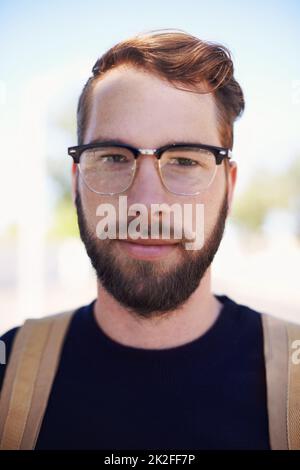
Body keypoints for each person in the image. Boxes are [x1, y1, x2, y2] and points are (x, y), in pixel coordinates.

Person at [0, 29, 299, 451]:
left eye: (183, 160)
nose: (144, 203)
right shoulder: (7, 375)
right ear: (76, 181)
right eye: (113, 157)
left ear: (229, 188)